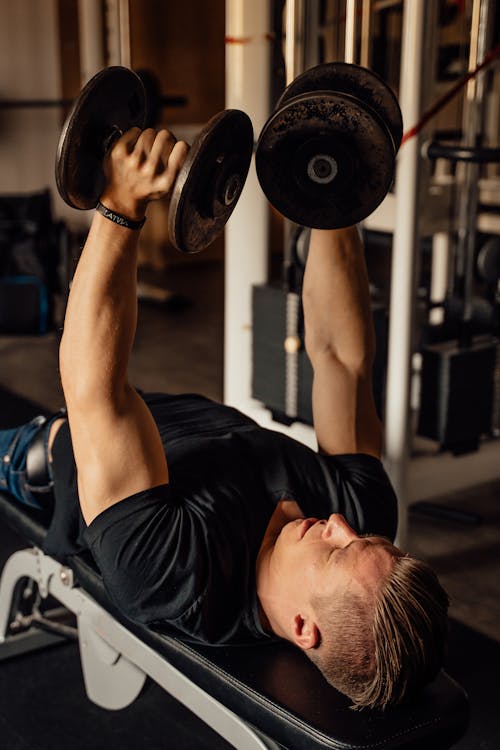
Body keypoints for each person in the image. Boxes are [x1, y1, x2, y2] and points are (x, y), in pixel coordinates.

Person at [0, 127, 449, 711]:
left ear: (303, 628)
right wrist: (334, 201)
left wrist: (119, 210)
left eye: (338, 550)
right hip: (171, 417)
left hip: (48, 452)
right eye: (361, 537)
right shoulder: (363, 510)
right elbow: (342, 361)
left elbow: (96, 389)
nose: (340, 522)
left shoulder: (178, 573)